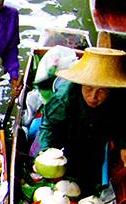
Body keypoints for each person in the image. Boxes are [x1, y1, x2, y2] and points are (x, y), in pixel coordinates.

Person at [35, 47, 126, 192]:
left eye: (102, 90)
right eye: (89, 88)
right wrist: (45, 153)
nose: (94, 97)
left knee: (89, 179)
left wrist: (123, 145)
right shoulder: (63, 98)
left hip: (96, 140)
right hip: (66, 136)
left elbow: (120, 123)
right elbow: (48, 127)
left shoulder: (118, 98)